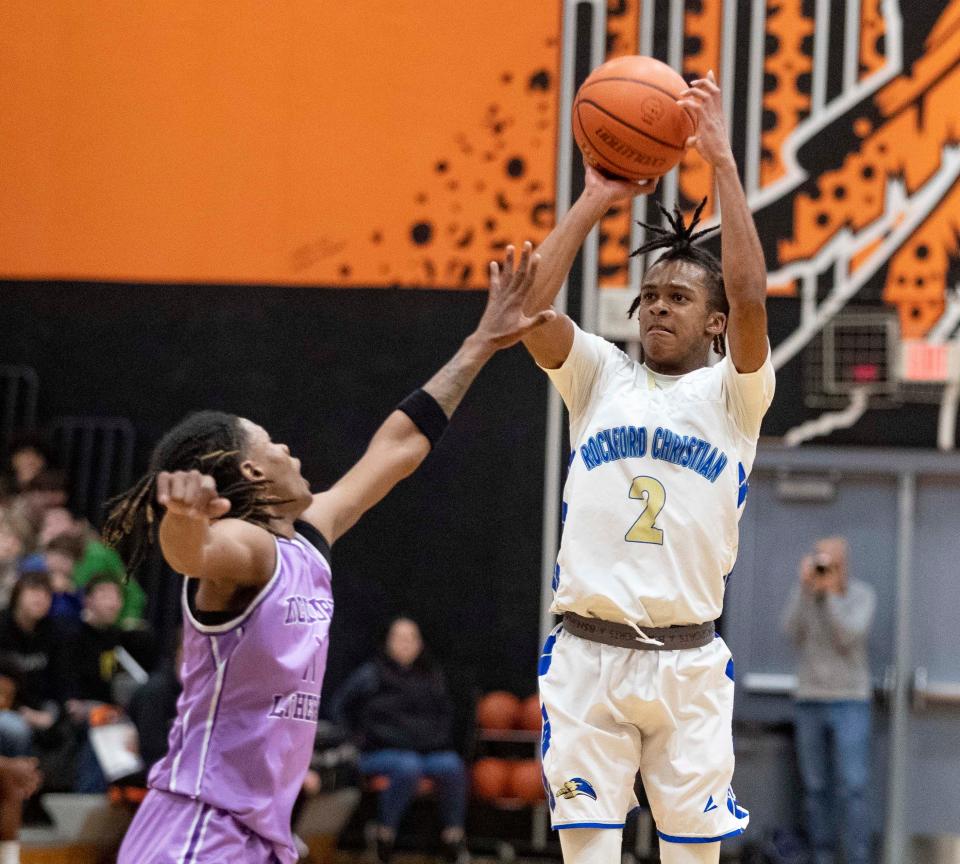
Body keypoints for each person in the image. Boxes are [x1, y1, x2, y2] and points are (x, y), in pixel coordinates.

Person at [104, 249, 553, 864]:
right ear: (253, 471)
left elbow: (399, 446)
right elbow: (196, 556)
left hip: (255, 835)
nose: (288, 447)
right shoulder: (250, 548)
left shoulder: (306, 536)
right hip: (198, 832)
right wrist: (182, 520)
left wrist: (479, 344)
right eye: (271, 440)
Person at [517, 71, 774, 864]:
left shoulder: (735, 395)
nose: (658, 305)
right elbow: (525, 311)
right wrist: (596, 197)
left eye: (679, 298)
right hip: (587, 657)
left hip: (688, 662)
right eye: (650, 294)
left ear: (717, 325)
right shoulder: (598, 376)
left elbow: (752, 291)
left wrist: (723, 163)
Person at [332, 617, 468, 864]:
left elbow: (445, 714)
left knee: (452, 766)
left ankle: (453, 839)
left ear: (419, 644)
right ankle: (384, 834)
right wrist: (351, 740)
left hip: (425, 751)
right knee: (408, 766)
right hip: (378, 753)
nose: (405, 644)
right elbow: (339, 705)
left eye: (411, 639)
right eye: (399, 638)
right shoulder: (371, 673)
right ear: (388, 643)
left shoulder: (431, 675)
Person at [781, 538, 875, 864]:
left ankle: (857, 857)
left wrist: (832, 595)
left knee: (853, 788)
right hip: (810, 699)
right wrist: (806, 590)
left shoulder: (861, 596)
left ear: (844, 563)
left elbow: (848, 636)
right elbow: (790, 630)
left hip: (850, 700)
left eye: (831, 561)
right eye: (820, 559)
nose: (825, 566)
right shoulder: (808, 593)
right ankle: (822, 856)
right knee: (815, 789)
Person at [62, 573, 157, 792]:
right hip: (82, 706)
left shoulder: (120, 638)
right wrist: (70, 701)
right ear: (88, 600)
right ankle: (86, 797)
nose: (112, 602)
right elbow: (64, 679)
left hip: (113, 708)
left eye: (116, 597)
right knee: (104, 722)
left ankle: (131, 797)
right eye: (105, 595)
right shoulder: (72, 635)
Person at [0, 570, 64, 758]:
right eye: (34, 591)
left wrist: (54, 712)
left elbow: (60, 678)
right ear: (17, 594)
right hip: (8, 706)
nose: (41, 598)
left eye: (46, 594)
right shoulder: (2, 627)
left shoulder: (53, 632)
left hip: (41, 704)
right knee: (18, 730)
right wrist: (23, 712)